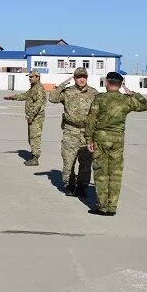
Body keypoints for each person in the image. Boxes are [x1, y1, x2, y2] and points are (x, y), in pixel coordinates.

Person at [85, 72, 147, 216]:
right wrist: (131, 93)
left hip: (101, 139)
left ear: (107, 82)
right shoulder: (126, 100)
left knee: (101, 172)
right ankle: (112, 207)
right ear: (121, 84)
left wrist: (89, 139)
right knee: (115, 173)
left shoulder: (100, 98)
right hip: (117, 140)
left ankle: (102, 207)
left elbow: (91, 120)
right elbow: (146, 105)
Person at [48, 67, 97, 197]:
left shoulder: (93, 93)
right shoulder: (67, 92)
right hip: (71, 130)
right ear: (74, 78)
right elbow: (52, 98)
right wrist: (63, 83)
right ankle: (69, 184)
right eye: (79, 77)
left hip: (87, 132)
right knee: (68, 160)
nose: (82, 79)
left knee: (86, 163)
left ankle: (81, 187)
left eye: (84, 77)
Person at [4, 70, 46, 166]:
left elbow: (38, 104)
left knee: (35, 137)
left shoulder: (39, 89)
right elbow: (25, 95)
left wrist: (31, 116)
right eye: (29, 77)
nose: (29, 78)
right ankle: (33, 156)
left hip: (36, 118)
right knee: (31, 137)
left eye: (31, 77)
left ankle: (35, 158)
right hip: (33, 117)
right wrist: (12, 97)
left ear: (37, 77)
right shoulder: (34, 88)